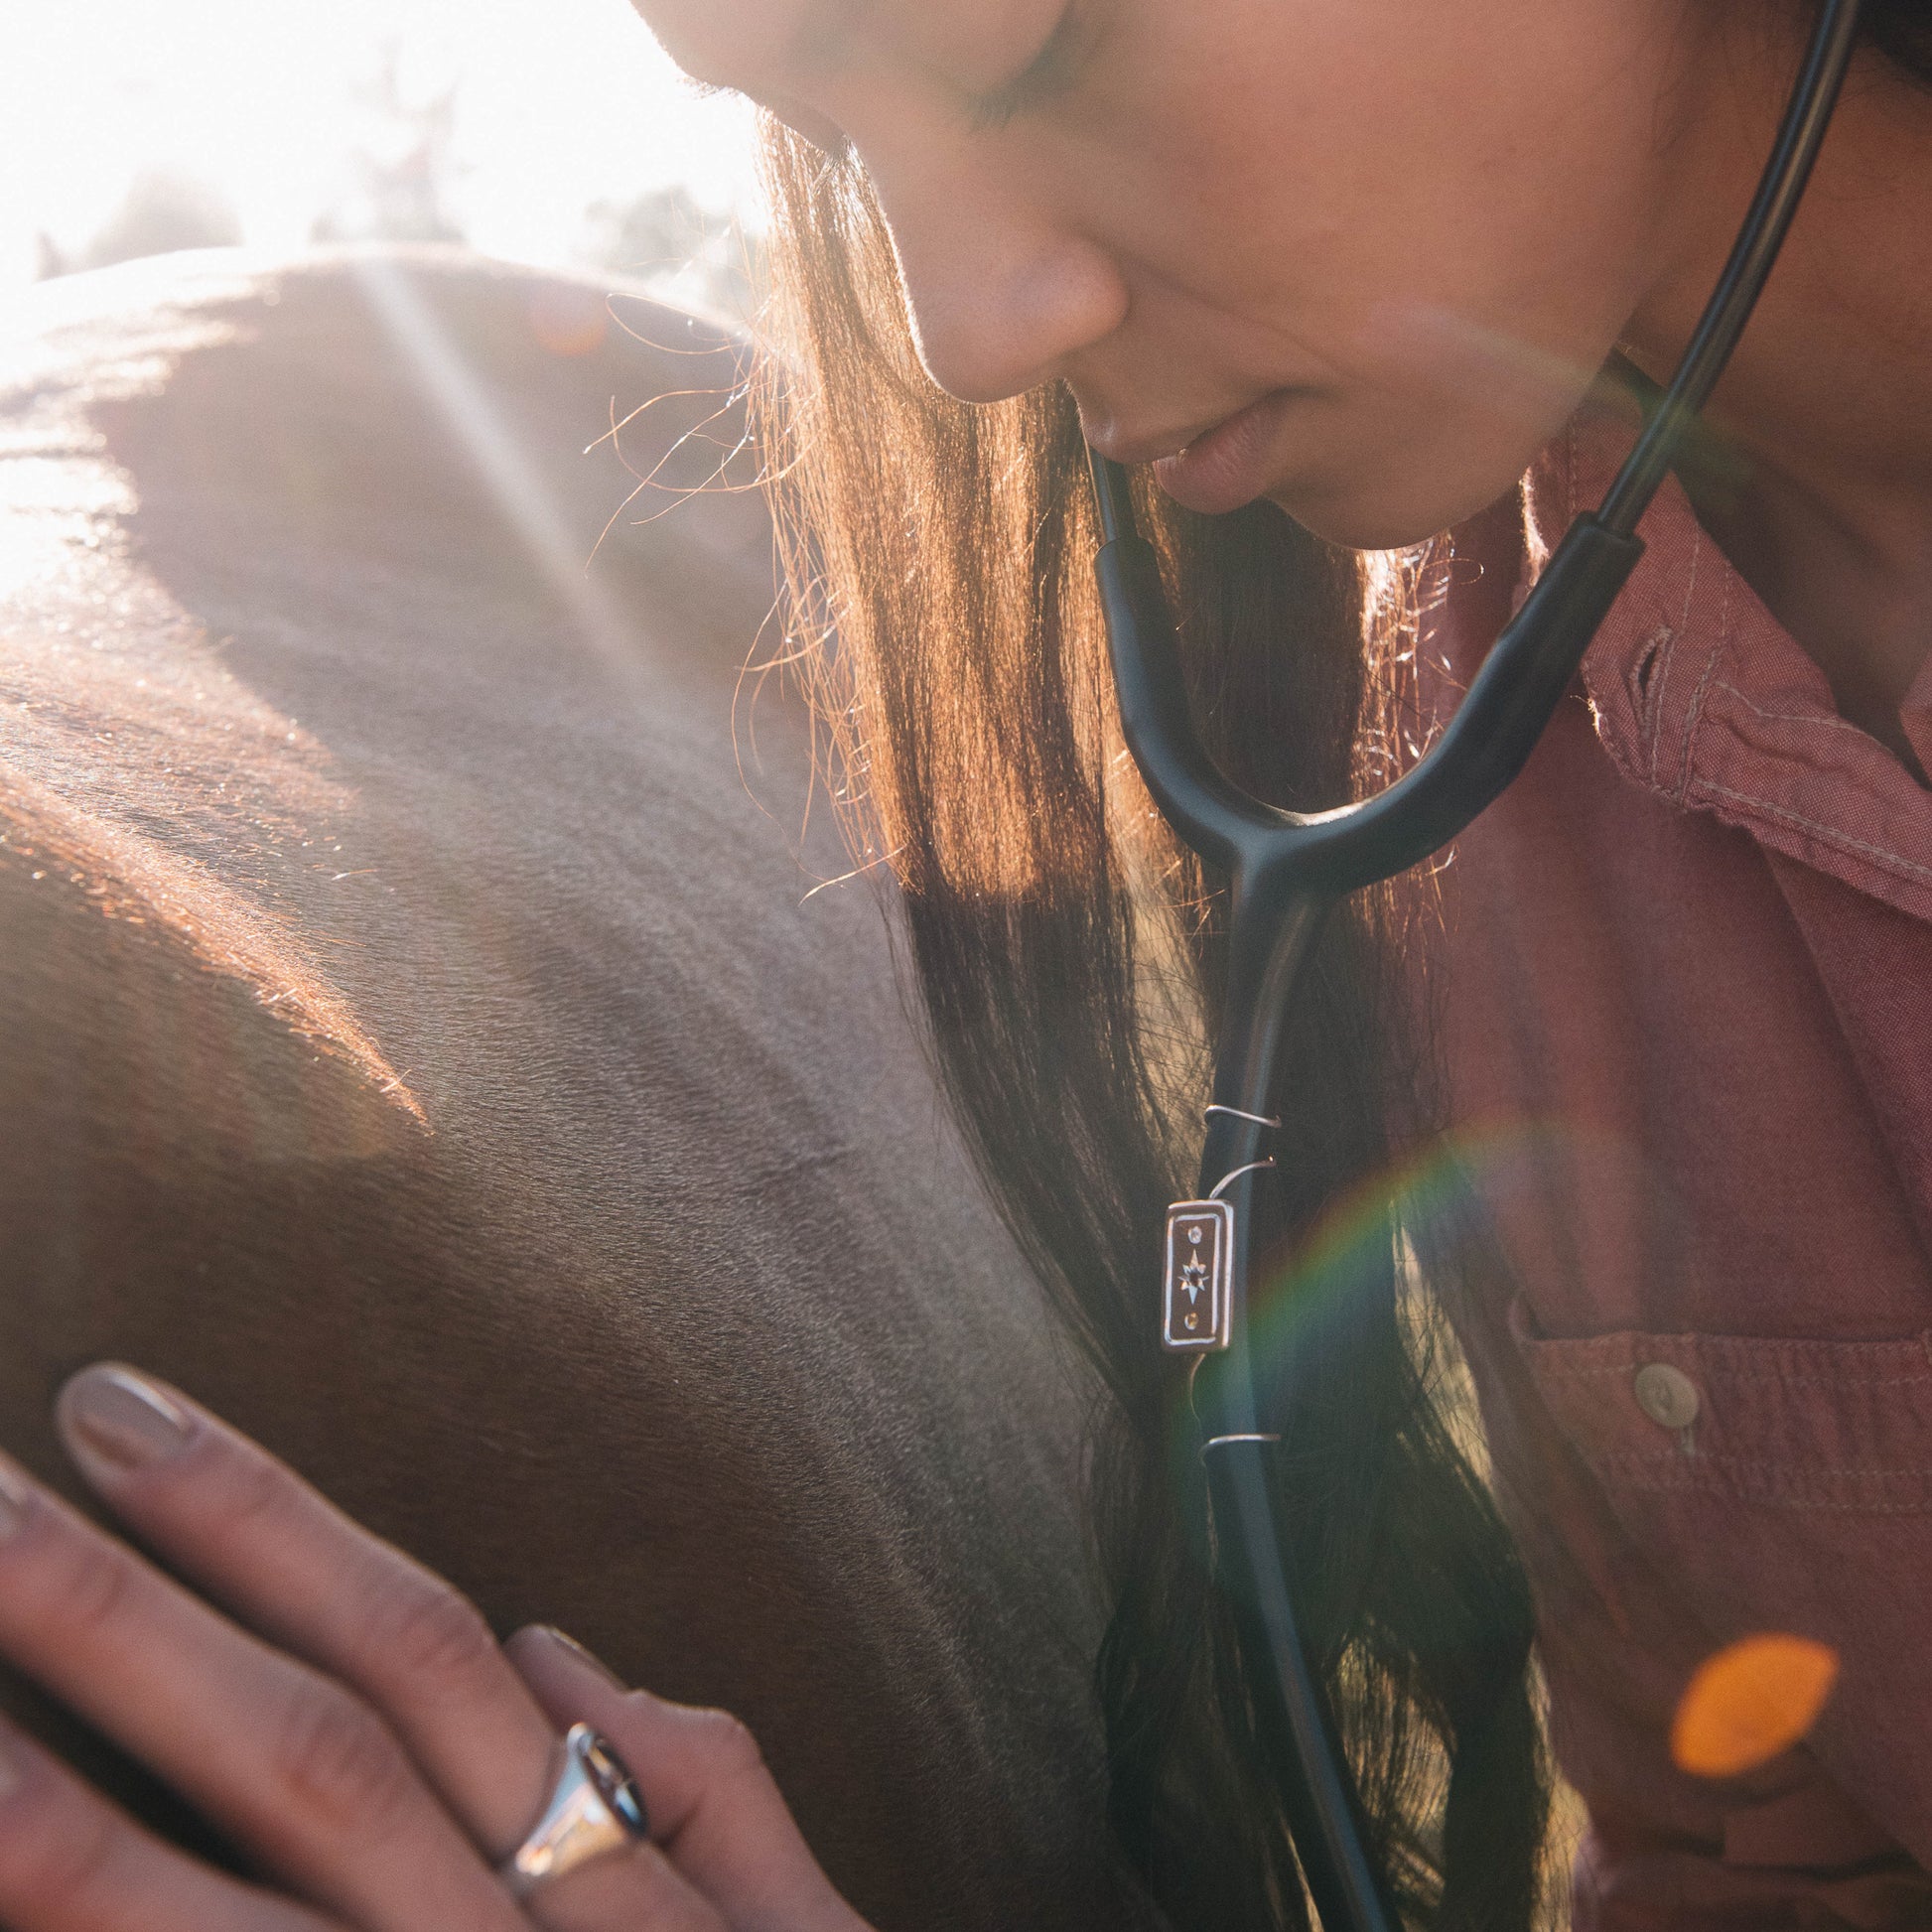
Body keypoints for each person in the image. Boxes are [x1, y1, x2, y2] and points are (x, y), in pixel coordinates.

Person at [0, 1, 1925, 1927]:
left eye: (1039, 52)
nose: (963, 334)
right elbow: (1768, 1862)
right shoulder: (1497, 784)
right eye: (828, 143)